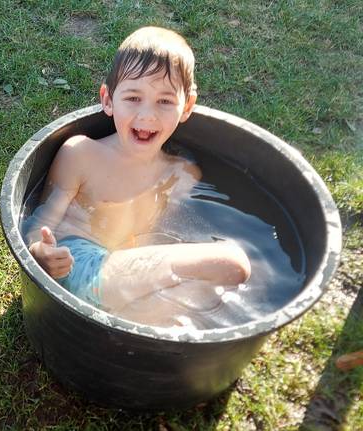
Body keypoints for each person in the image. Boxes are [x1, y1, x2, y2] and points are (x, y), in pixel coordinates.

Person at [26, 27, 251, 326]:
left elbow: (158, 238)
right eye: (133, 97)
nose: (147, 115)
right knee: (232, 262)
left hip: (118, 272)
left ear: (187, 106)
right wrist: (40, 253)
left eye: (165, 101)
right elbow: (38, 225)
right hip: (76, 266)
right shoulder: (81, 154)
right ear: (108, 99)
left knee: (209, 290)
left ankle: (122, 329)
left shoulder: (181, 174)